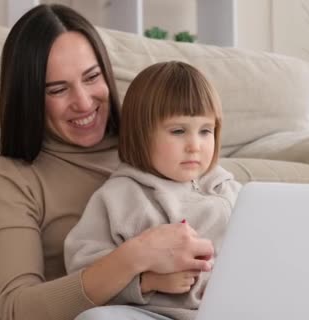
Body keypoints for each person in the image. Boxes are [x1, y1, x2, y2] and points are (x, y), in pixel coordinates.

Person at [0, 4, 215, 320]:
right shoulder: (16, 177)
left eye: (92, 77)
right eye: (58, 89)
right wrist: (136, 258)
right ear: (30, 98)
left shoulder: (157, 143)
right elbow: (17, 309)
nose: (83, 102)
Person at [64, 61, 241, 320]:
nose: (195, 145)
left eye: (206, 131)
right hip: (158, 314)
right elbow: (84, 269)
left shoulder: (231, 189)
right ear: (141, 134)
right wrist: (148, 281)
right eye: (178, 131)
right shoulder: (120, 196)